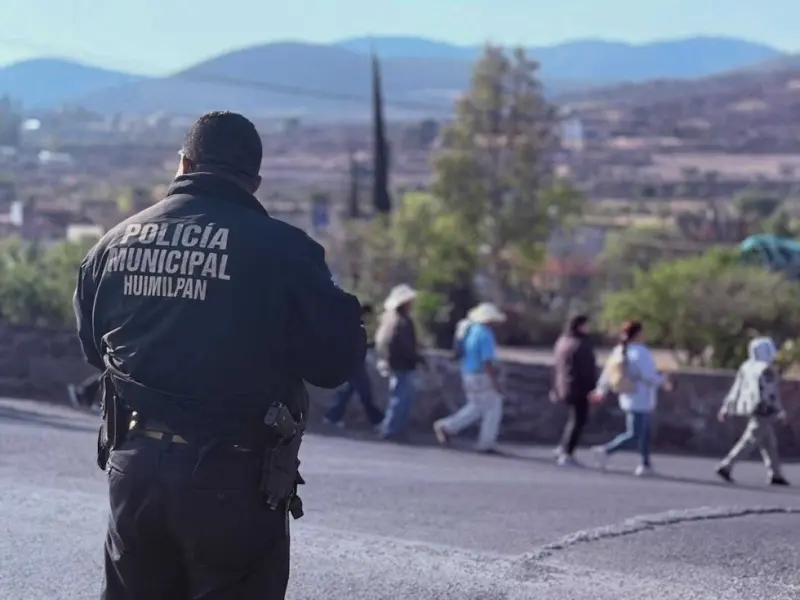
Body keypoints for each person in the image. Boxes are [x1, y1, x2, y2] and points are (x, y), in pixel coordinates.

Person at [73, 111, 366, 600]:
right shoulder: (285, 252)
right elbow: (336, 364)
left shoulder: (112, 245)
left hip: (134, 469)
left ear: (184, 164)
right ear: (254, 180)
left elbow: (93, 350)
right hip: (235, 476)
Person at [590, 320, 671, 477]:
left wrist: (601, 390)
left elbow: (608, 373)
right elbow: (649, 376)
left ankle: (645, 464)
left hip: (629, 396)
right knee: (635, 434)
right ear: (638, 334)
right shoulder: (641, 352)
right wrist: (663, 380)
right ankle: (605, 451)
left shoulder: (619, 350)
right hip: (642, 397)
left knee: (644, 433)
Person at [716, 337, 790, 486]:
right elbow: (771, 393)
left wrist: (727, 406)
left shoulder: (747, 366)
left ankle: (775, 473)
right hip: (764, 410)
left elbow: (736, 388)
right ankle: (726, 465)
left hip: (748, 407)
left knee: (768, 442)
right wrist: (780, 410)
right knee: (750, 440)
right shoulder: (767, 369)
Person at [433, 302, 506, 453]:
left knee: (476, 407)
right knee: (493, 407)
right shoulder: (486, 334)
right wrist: (495, 382)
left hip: (468, 373)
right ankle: (486, 442)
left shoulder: (470, 330)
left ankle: (448, 426)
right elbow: (487, 361)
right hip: (482, 375)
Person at [375, 284, 424, 440]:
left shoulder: (392, 320)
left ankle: (393, 429)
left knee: (399, 398)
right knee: (400, 399)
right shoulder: (402, 322)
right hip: (403, 365)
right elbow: (405, 345)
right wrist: (417, 358)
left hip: (398, 364)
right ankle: (391, 430)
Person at [324, 303, 384, 428]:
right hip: (355, 366)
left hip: (352, 365)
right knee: (365, 394)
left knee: (347, 393)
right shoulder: (356, 325)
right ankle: (377, 421)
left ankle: (332, 417)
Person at [551, 314, 598, 466]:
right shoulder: (581, 344)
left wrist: (555, 387)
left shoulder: (563, 341)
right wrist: (592, 388)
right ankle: (567, 453)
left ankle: (563, 447)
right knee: (578, 420)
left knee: (573, 419)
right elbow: (587, 370)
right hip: (578, 387)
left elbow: (557, 367)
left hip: (564, 386)